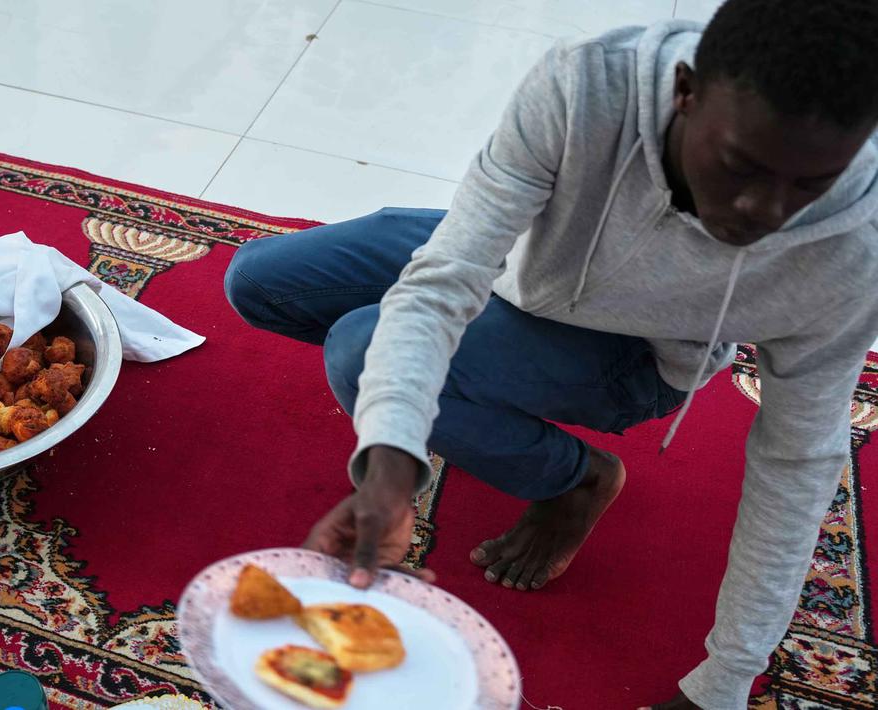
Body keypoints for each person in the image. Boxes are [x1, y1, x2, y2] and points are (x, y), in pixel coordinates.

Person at [222, 0, 878, 707]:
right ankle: (472, 404)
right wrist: (390, 459)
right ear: (684, 92)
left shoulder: (850, 253)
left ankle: (573, 483)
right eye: (737, 165)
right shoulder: (588, 83)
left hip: (641, 351)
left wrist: (723, 683)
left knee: (361, 347)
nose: (761, 212)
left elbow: (797, 461)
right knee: (260, 282)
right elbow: (443, 280)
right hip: (528, 261)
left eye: (810, 186)